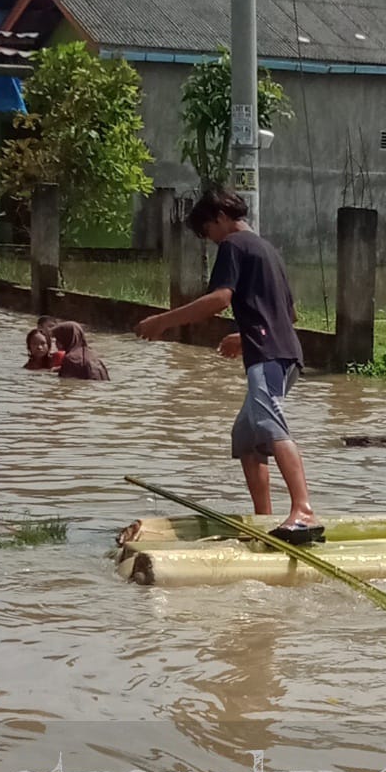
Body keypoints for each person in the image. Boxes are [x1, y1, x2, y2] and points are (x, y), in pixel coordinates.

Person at [136, 187, 321, 540]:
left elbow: (219, 300)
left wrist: (163, 321)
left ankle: (304, 510)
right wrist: (244, 335)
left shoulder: (233, 246)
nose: (209, 239)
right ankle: (262, 519)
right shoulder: (268, 250)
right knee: (246, 435)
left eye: (207, 231)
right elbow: (289, 313)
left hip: (268, 354)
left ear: (220, 218)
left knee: (269, 422)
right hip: (283, 350)